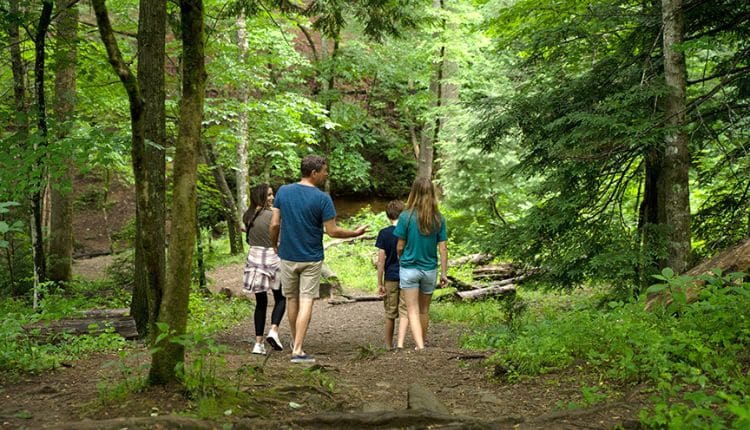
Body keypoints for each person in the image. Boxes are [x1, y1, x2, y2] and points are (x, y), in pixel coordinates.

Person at [270, 155, 368, 363]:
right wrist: (355, 233)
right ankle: (298, 348)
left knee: (292, 300)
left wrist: (274, 244)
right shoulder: (323, 198)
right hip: (311, 257)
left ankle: (296, 343)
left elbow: (274, 224)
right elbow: (332, 231)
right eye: (324, 171)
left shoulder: (283, 192)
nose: (326, 174)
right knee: (306, 301)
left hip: (287, 255)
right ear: (314, 173)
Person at [393, 177, 448, 351]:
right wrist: (444, 273)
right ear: (432, 193)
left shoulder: (405, 217)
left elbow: (400, 245)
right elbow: (443, 248)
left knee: (412, 310)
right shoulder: (438, 218)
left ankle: (421, 346)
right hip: (430, 269)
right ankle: (420, 343)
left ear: (414, 192)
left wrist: (400, 258)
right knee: (424, 310)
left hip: (409, 268)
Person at [242, 184, 285, 355]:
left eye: (272, 194)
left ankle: (258, 343)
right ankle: (273, 330)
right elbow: (279, 235)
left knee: (260, 303)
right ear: (260, 196)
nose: (272, 198)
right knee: (280, 298)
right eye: (268, 195)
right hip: (273, 258)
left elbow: (249, 234)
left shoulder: (248, 216)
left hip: (254, 258)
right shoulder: (273, 216)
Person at [375, 199, 408, 351]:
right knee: (405, 311)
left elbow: (381, 261)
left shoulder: (384, 233)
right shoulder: (408, 232)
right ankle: (401, 343)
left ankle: (388, 345)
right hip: (407, 276)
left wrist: (379, 283)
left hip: (390, 278)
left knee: (390, 313)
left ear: (388, 216)